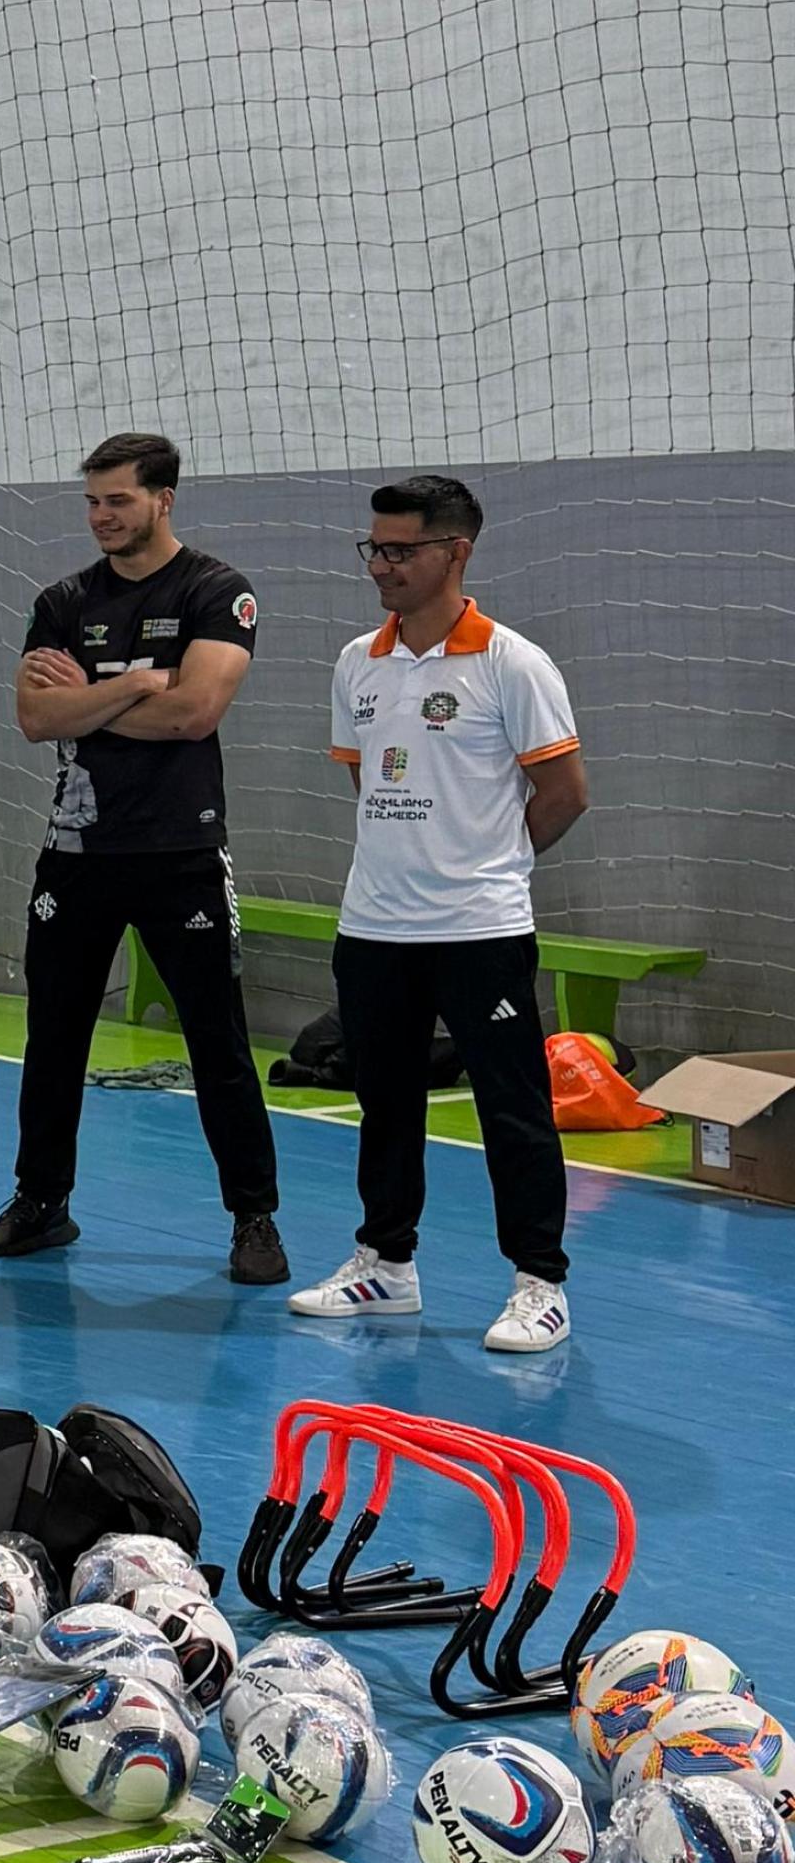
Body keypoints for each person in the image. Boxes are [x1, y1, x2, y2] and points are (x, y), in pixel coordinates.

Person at [0, 435, 289, 1287]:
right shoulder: (63, 601)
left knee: (217, 1042)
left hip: (181, 853)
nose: (102, 516)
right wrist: (135, 684)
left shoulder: (215, 591)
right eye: (92, 501)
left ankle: (254, 1216)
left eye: (118, 500)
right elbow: (35, 720)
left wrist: (84, 698)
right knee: (54, 1036)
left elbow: (194, 714)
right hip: (76, 853)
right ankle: (42, 1200)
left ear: (164, 499)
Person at [288, 476, 586, 1356]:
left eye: (400, 550)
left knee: (513, 1110)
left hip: (480, 932)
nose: (381, 565)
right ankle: (386, 1265)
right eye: (374, 548)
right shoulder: (358, 661)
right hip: (373, 929)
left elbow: (564, 792)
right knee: (384, 1103)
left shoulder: (512, 663)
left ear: (456, 552)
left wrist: (488, 864)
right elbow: (368, 779)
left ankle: (540, 1285)